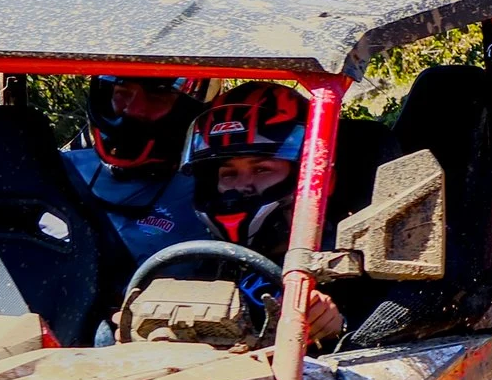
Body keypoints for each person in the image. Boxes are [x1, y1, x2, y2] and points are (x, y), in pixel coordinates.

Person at [182, 82, 344, 345]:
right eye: (229, 174)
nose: (242, 187)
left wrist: (334, 324)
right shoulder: (210, 260)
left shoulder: (344, 264)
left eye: (261, 170)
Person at [61, 75, 209, 264]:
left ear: (186, 109)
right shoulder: (59, 170)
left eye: (157, 96)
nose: (133, 109)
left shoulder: (208, 194)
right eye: (121, 93)